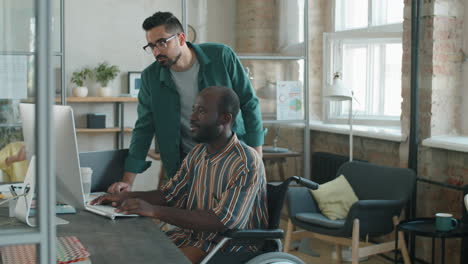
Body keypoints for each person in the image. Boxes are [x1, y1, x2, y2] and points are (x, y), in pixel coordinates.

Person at [92, 87, 268, 263]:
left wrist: (153, 211)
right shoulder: (198, 153)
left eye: (201, 111)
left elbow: (222, 220)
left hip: (227, 245)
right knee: (127, 251)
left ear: (225, 118)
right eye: (193, 110)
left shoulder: (246, 161)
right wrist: (124, 197)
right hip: (191, 237)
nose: (192, 117)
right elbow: (170, 195)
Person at [108, 11, 264, 193]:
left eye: (162, 43)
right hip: (184, 164)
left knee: (218, 217)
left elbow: (249, 103)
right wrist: (128, 182)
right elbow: (144, 127)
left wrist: (256, 158)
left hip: (231, 159)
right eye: (151, 46)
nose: (156, 52)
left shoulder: (221, 56)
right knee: (183, 216)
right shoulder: (151, 77)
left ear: (181, 38)